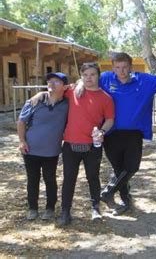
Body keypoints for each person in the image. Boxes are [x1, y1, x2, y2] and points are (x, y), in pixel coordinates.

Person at [96, 53, 156, 215]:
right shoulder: (105, 78)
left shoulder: (144, 80)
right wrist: (78, 85)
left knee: (132, 167)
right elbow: (86, 82)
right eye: (118, 67)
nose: (121, 71)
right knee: (119, 169)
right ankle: (126, 201)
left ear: (131, 67)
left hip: (134, 133)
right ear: (113, 67)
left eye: (125, 67)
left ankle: (107, 193)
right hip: (110, 132)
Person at [57, 62, 115, 226]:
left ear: (98, 76)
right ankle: (65, 211)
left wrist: (102, 132)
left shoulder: (106, 98)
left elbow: (110, 120)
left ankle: (95, 208)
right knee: (69, 178)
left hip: (92, 146)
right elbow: (54, 90)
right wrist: (35, 98)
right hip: (70, 144)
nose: (89, 78)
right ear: (81, 76)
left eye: (93, 74)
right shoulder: (72, 91)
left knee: (93, 177)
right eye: (85, 75)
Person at [17, 72, 69, 221]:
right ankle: (32, 208)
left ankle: (50, 208)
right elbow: (21, 122)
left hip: (51, 151)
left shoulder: (67, 104)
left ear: (64, 87)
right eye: (50, 81)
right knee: (32, 179)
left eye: (56, 82)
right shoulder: (35, 101)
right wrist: (22, 141)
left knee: (50, 179)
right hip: (31, 149)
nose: (51, 84)